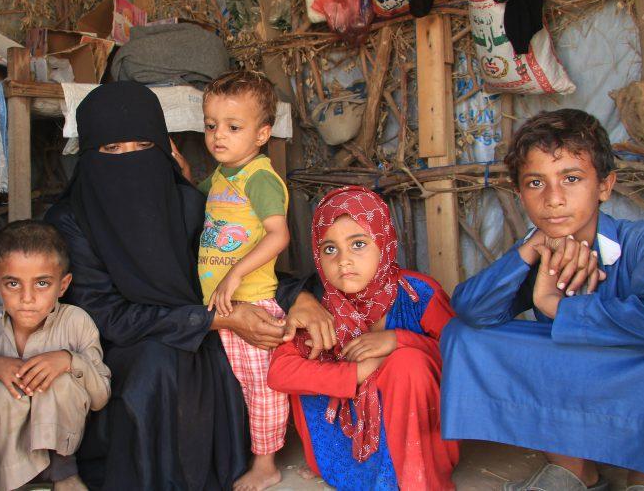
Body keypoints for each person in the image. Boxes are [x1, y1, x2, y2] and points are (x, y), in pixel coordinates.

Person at [44, 81, 334, 490]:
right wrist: (216, 321)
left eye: (141, 146)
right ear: (89, 156)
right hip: (120, 345)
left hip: (198, 327)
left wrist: (299, 297)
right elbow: (104, 316)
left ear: (162, 150)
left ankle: (245, 461)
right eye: (111, 150)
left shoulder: (186, 204)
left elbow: (230, 267)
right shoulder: (71, 221)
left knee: (225, 354)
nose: (127, 161)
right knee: (157, 365)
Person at [441, 109, 644, 490]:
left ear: (604, 186)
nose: (553, 199)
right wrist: (530, 246)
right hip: (574, 379)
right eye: (536, 183)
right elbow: (471, 309)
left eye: (571, 178)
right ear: (519, 194)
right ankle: (572, 470)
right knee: (463, 336)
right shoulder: (536, 250)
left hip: (638, 381)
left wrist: (554, 305)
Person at [269, 186, 460, 491]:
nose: (343, 261)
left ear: (384, 244)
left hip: (415, 443)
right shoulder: (317, 307)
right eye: (329, 249)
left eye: (358, 244)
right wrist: (356, 373)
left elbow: (461, 357)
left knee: (408, 363)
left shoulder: (418, 294)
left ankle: (414, 481)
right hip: (341, 447)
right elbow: (279, 373)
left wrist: (399, 340)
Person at [0, 220, 111, 491]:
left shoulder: (76, 322)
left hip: (63, 454)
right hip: (1, 464)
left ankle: (62, 472)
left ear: (63, 285)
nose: (27, 297)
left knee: (62, 380)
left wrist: (68, 360)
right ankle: (9, 483)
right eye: (13, 284)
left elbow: (101, 397)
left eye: (42, 283)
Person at [196, 70, 291, 491]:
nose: (219, 136)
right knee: (231, 385)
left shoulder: (261, 179)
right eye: (211, 125)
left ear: (262, 134)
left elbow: (279, 234)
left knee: (262, 387)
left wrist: (235, 274)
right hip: (221, 304)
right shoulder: (220, 176)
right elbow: (194, 202)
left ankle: (266, 464)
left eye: (233, 127)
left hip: (250, 300)